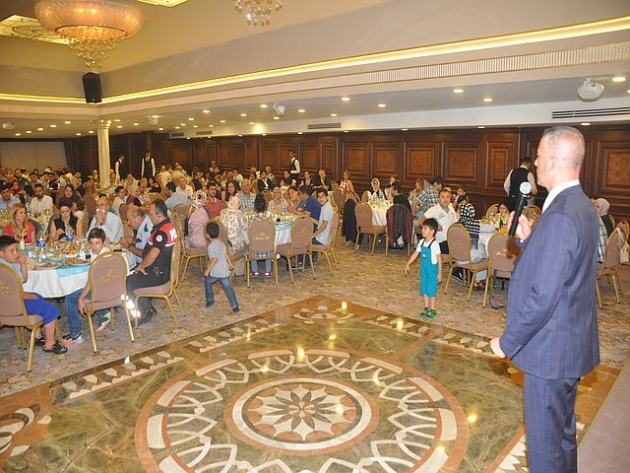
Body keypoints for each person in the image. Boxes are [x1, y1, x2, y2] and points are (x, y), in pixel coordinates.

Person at [490, 126, 600, 473]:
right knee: (562, 437)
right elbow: (564, 268)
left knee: (543, 450)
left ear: (552, 159)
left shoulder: (562, 214)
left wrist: (508, 342)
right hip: (569, 345)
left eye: (538, 155)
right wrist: (528, 239)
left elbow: (544, 295)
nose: (535, 162)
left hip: (550, 352)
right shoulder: (582, 206)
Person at [0, 235, 67, 354]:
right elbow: (15, 294)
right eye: (12, 251)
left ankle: (37, 336)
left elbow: (23, 280)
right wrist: (29, 296)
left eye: (16, 250)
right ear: (1, 253)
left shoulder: (7, 265)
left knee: (38, 297)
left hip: (5, 305)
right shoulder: (5, 271)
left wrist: (23, 264)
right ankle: (50, 344)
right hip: (14, 305)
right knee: (50, 309)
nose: (16, 253)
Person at [125, 199, 177, 325]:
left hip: (158, 274)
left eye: (151, 214)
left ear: (159, 215)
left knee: (127, 281)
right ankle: (148, 308)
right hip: (162, 270)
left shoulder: (161, 232)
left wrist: (141, 266)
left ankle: (143, 312)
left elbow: (153, 254)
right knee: (133, 275)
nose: (149, 217)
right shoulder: (168, 226)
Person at [62, 228, 112, 345]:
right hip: (112, 290)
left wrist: (81, 298)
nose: (94, 247)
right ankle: (104, 313)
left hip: (102, 292)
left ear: (104, 242)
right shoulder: (106, 252)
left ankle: (75, 334)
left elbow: (91, 282)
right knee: (78, 290)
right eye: (92, 243)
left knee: (70, 297)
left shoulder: (101, 258)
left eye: (97, 243)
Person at [404, 217, 442, 320]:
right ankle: (426, 307)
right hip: (424, 270)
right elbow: (415, 254)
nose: (422, 231)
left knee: (431, 290)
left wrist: (440, 273)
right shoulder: (421, 242)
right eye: (422, 228)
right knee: (424, 288)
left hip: (432, 271)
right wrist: (408, 264)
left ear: (432, 231)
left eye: (425, 228)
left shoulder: (435, 244)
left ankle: (432, 309)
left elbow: (439, 259)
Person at [203, 221, 239, 313]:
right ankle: (234, 306)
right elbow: (226, 254)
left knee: (207, 281)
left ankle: (210, 299)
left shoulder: (211, 247)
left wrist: (208, 270)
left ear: (207, 235)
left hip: (216, 272)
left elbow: (214, 259)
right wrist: (230, 264)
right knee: (228, 288)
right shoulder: (221, 243)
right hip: (224, 271)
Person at [421, 189, 458, 254]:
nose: (445, 200)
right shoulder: (434, 210)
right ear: (438, 199)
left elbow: (455, 223)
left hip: (451, 241)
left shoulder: (451, 209)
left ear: (450, 199)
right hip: (440, 243)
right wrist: (434, 225)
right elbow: (421, 220)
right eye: (443, 197)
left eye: (447, 197)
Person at [247, 195, 274, 277]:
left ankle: (254, 270)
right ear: (265, 206)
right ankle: (268, 270)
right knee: (267, 240)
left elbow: (248, 231)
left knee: (253, 241)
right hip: (268, 251)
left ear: (255, 207)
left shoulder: (251, 219)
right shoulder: (269, 218)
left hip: (254, 251)